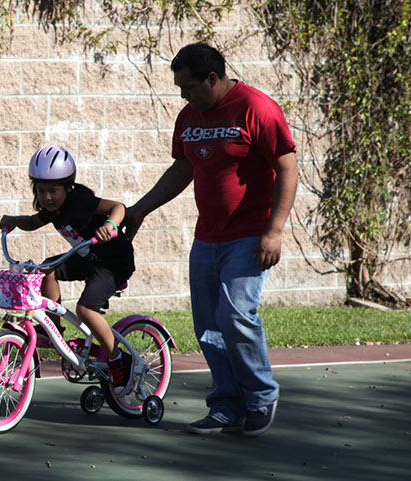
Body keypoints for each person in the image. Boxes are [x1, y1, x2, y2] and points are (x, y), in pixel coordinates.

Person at [126, 42, 299, 436]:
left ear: (212, 78)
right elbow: (182, 168)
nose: (183, 95)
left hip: (249, 235)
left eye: (188, 87)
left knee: (235, 315)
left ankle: (260, 395)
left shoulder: (257, 108)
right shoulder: (190, 116)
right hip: (207, 238)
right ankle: (226, 406)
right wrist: (140, 209)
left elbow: (287, 167)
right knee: (208, 325)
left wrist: (274, 230)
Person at [0, 144, 136, 395]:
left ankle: (118, 359)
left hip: (112, 262)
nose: (47, 197)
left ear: (68, 187)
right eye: (41, 191)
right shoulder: (53, 209)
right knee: (44, 269)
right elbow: (32, 222)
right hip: (86, 256)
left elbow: (118, 207)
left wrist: (110, 225)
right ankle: (52, 330)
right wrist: (15, 221)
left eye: (53, 191)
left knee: (85, 309)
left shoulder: (81, 201)